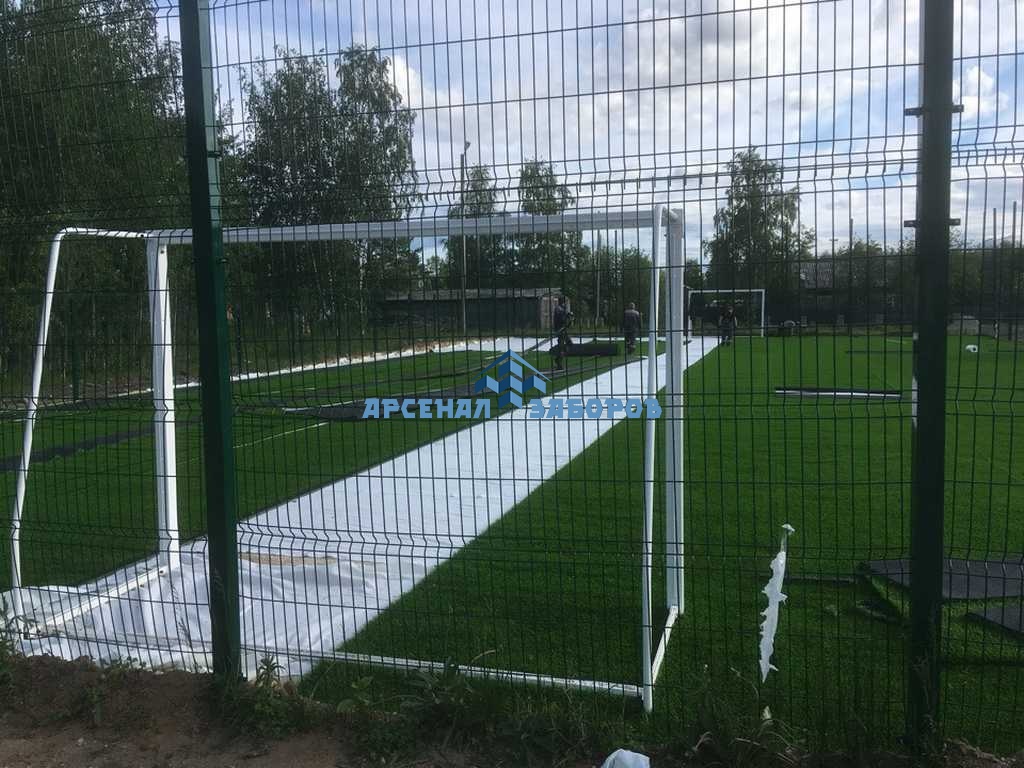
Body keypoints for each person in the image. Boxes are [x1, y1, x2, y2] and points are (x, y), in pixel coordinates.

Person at [551, 296, 573, 369]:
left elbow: (566, 316)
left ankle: (559, 358)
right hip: (560, 330)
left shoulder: (562, 309)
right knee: (561, 346)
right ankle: (559, 362)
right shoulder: (559, 309)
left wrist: (569, 316)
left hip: (563, 330)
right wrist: (567, 317)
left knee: (568, 344)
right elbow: (561, 319)